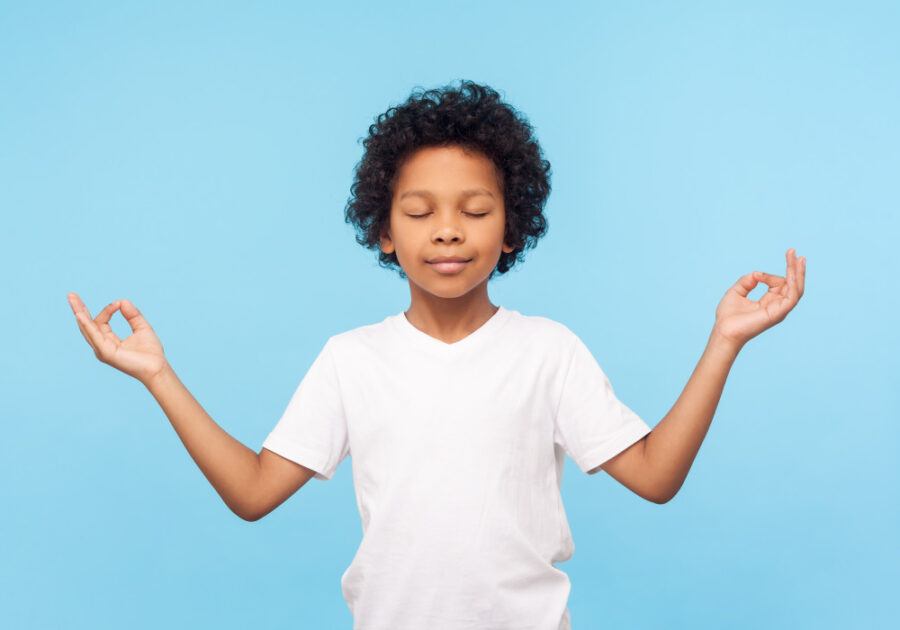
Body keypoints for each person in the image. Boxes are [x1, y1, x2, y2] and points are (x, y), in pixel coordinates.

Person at [67, 80, 806, 630]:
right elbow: (254, 493)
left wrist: (724, 342)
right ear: (384, 233)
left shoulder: (547, 350)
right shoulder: (351, 360)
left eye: (475, 211)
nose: (447, 231)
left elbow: (655, 477)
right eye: (419, 212)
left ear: (511, 228)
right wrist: (158, 375)